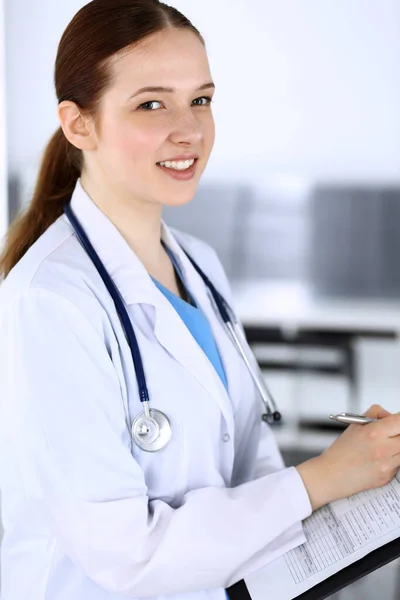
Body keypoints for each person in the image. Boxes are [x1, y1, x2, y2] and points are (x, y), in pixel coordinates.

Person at [1, 1, 400, 599]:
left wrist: (359, 473)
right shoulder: (50, 301)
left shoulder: (199, 265)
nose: (188, 130)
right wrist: (320, 479)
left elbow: (249, 471)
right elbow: (125, 557)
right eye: (151, 104)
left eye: (202, 100)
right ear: (79, 124)